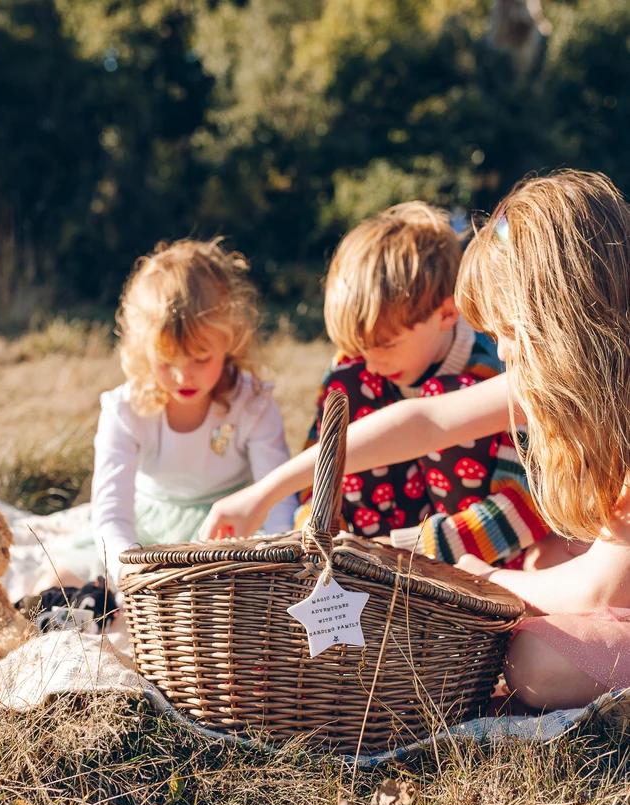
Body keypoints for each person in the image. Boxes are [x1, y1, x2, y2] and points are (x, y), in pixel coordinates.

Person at [201, 170, 630, 710]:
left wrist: (485, 577)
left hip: (609, 585)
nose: (501, 355)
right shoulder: (576, 377)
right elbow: (422, 422)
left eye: (511, 335)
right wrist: (262, 492)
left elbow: (599, 590)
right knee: (546, 575)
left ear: (563, 323)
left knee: (535, 663)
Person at [293, 201, 547, 565]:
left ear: (446, 313)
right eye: (359, 346)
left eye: (386, 344)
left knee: (447, 395)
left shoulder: (493, 371)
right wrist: (313, 533)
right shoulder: (356, 371)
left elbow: (530, 502)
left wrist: (411, 551)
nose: (373, 362)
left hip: (463, 556)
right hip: (366, 546)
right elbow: (310, 478)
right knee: (346, 383)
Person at [91, 238, 297, 586]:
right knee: (70, 576)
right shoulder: (126, 410)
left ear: (229, 340)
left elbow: (277, 499)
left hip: (232, 532)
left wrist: (280, 567)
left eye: (201, 359)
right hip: (147, 535)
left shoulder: (252, 403)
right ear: (143, 350)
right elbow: (111, 514)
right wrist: (130, 574)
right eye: (167, 362)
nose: (184, 376)